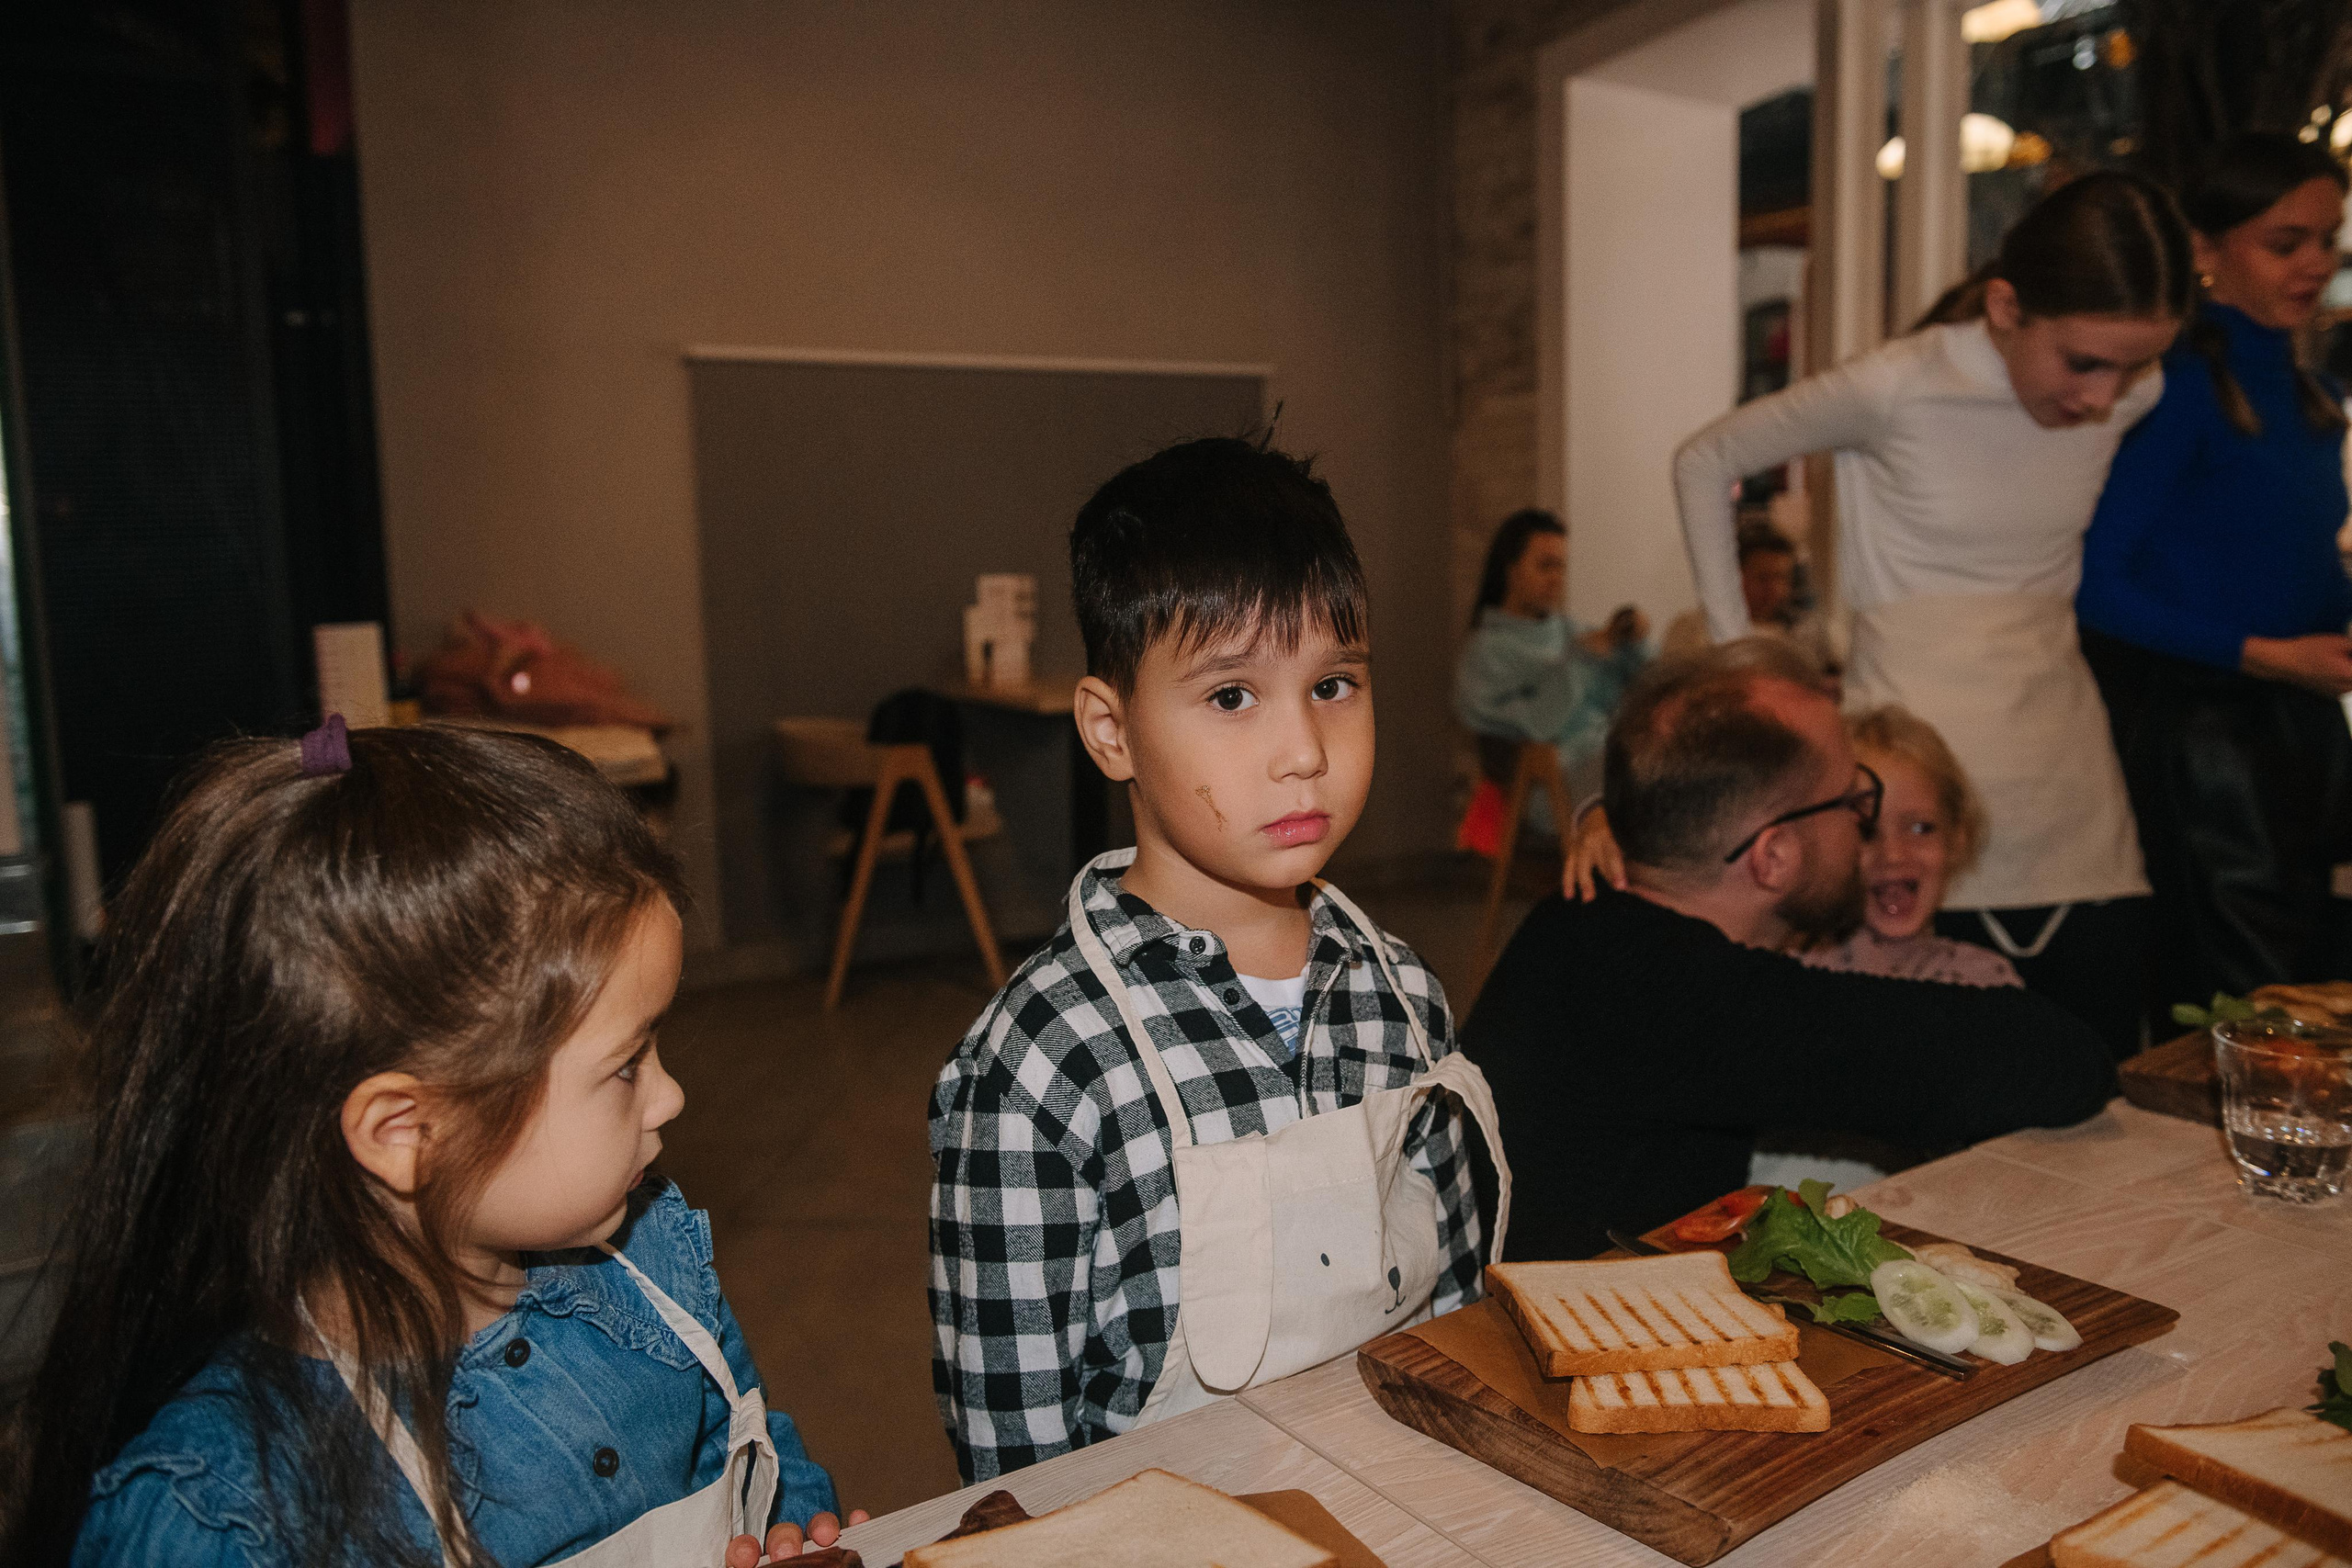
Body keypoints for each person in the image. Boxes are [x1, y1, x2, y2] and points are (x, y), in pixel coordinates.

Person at [10, 723, 856, 1567]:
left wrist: (789, 1531)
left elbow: (764, 1470)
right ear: (406, 1131)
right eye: (628, 1063)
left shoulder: (655, 1266)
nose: (671, 1094)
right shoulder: (221, 1518)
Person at [930, 436, 1505, 1481]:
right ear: (1111, 732)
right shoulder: (1040, 1064)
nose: (1303, 752)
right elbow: (1013, 1457)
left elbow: (1458, 1327)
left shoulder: (1402, 996)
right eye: (1232, 696)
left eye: (1334, 685)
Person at [1667, 171, 2193, 1059]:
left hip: (2076, 808)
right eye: (2084, 362)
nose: (2107, 396)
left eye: (2133, 364)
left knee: (2094, 1086)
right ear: (2004, 306)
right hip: (1921, 814)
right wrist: (1743, 660)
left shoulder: (2137, 392)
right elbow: (1704, 458)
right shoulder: (1898, 385)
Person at [1469, 642, 2115, 1261]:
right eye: (1852, 800)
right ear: (1774, 856)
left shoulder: (1584, 922)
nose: (1865, 821)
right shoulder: (1696, 1000)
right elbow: (2062, 1062)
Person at [2079, 132, 2352, 1019]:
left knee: (2311, 982)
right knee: (2248, 1003)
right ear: (2204, 249)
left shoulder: (2311, 395)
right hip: (2204, 736)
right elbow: (2098, 587)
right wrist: (2267, 656)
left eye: (2330, 239)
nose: (2315, 263)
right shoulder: (2178, 389)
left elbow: (2295, 575)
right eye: (2286, 242)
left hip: (2299, 726)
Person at [1795, 705, 2020, 989]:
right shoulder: (1793, 970)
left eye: (1920, 829)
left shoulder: (1983, 982)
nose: (1893, 855)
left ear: (1956, 839)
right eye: (1865, 832)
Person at [1453, 507, 1647, 813]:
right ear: (1511, 569)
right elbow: (1542, 725)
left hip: (1608, 757)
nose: (1556, 579)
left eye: (1561, 567)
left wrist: (1635, 642)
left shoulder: (1571, 631)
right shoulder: (1486, 654)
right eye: (1545, 566)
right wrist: (1581, 660)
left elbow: (1639, 688)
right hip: (1552, 785)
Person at [1660, 520, 1834, 674]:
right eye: (1763, 578)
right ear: (1735, 577)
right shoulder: (1693, 629)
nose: (1775, 589)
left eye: (1782, 578)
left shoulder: (1800, 636)